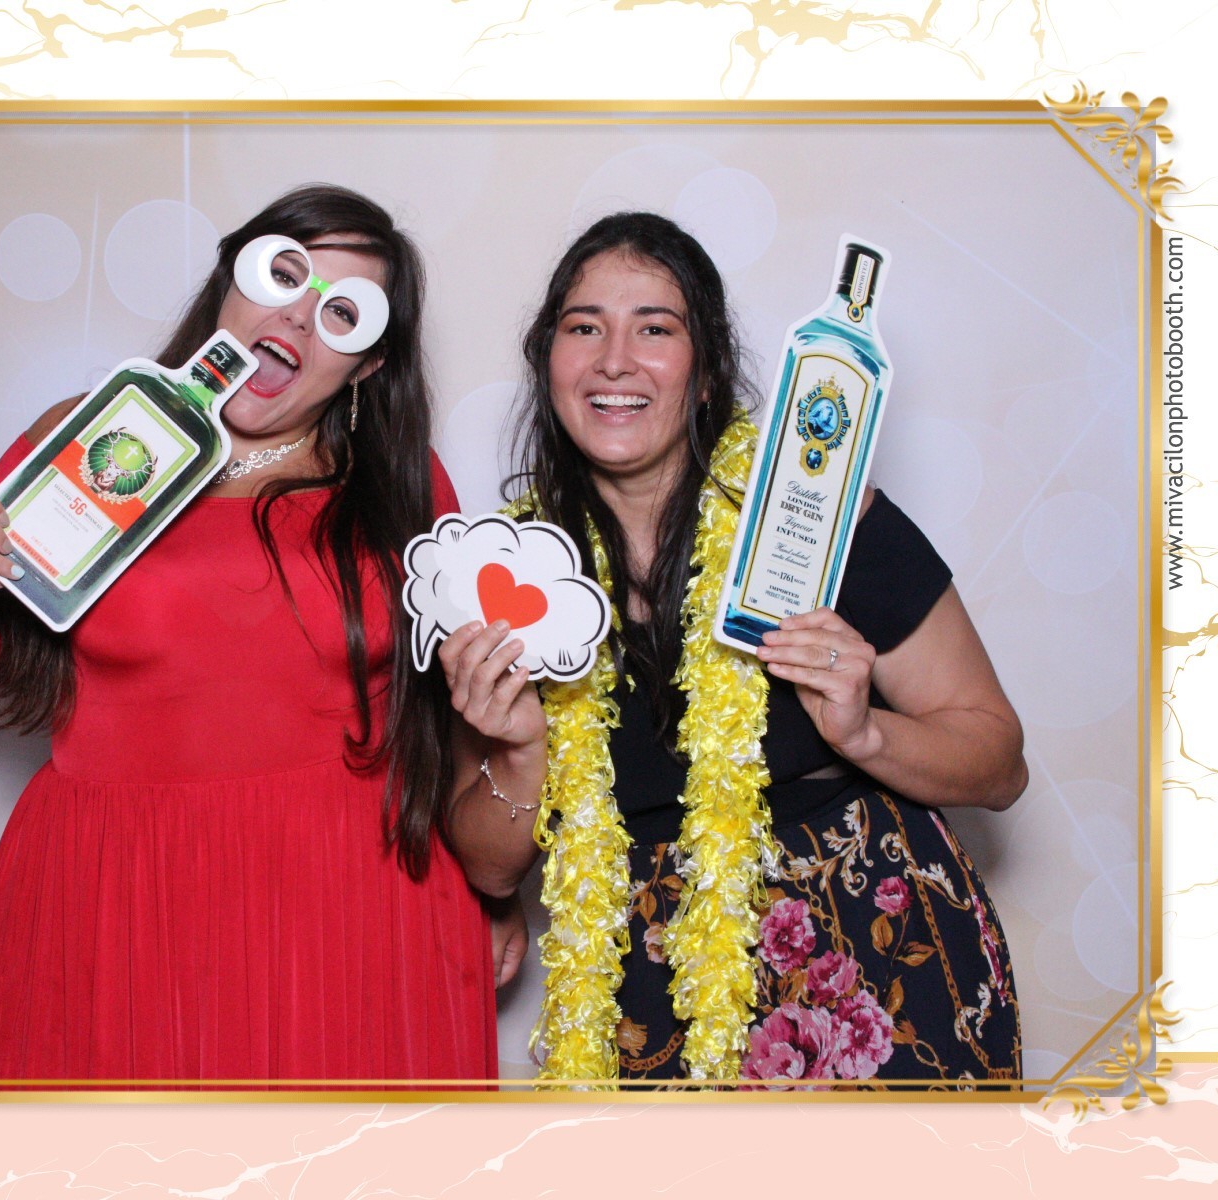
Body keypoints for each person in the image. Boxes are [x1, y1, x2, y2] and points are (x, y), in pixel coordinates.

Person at [0, 185, 519, 1084]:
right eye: (283, 276)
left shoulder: (401, 486)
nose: (299, 319)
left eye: (343, 314)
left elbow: (453, 707)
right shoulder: (92, 442)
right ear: (230, 283)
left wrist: (493, 882)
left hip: (353, 894)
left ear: (368, 366)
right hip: (115, 888)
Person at [436, 212, 1024, 1084]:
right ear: (548, 361)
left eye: (655, 329)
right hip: (642, 996)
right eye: (584, 328)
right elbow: (489, 870)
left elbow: (1000, 764)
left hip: (871, 961)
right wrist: (522, 753)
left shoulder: (818, 514)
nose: (614, 360)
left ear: (707, 371)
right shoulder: (506, 573)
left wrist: (864, 733)